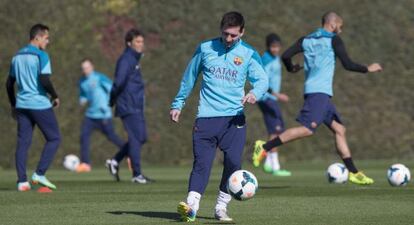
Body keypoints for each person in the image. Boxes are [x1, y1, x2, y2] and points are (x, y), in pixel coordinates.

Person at [252, 12, 383, 185]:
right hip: (319, 93)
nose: (340, 31)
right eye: (340, 27)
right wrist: (369, 68)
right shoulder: (333, 40)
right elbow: (348, 64)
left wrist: (291, 68)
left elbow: (285, 56)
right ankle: (265, 146)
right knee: (306, 129)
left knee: (339, 130)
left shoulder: (306, 40)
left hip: (315, 92)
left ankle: (353, 172)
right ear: (333, 24)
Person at [170, 12, 268, 222]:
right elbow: (189, 77)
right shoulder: (205, 48)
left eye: (233, 35)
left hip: (234, 120)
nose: (228, 39)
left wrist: (254, 93)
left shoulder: (249, 53)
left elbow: (262, 80)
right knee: (201, 164)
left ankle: (221, 208)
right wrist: (178, 103)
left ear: (242, 32)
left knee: (233, 164)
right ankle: (191, 207)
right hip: (206, 118)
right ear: (220, 30)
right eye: (225, 34)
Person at [6, 24, 61, 191]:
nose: (48, 41)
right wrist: (55, 96)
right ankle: (39, 173)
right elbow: (44, 80)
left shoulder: (16, 56)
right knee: (54, 138)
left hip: (22, 105)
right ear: (37, 37)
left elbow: (9, 84)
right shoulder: (41, 56)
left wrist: (14, 104)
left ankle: (22, 182)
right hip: (39, 104)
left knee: (23, 142)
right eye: (46, 38)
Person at [106, 28, 153, 184]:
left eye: (142, 42)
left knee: (141, 137)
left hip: (135, 105)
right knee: (135, 138)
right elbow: (118, 82)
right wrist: (112, 99)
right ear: (129, 43)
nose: (141, 45)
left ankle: (115, 161)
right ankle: (136, 174)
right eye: (137, 42)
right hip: (128, 104)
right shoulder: (126, 59)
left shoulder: (134, 59)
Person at [76, 58, 125, 173]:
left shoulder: (99, 77)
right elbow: (83, 95)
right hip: (90, 115)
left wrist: (108, 104)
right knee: (84, 137)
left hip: (103, 115)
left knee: (112, 137)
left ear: (92, 67)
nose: (85, 70)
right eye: (83, 68)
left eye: (87, 67)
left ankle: (129, 154)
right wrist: (82, 100)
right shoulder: (82, 82)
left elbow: (112, 89)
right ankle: (85, 164)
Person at [254, 33, 291, 176]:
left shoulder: (275, 58)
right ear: (268, 47)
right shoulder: (266, 60)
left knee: (275, 130)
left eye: (277, 46)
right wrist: (277, 94)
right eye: (273, 46)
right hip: (266, 98)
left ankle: (270, 164)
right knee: (277, 130)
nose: (275, 49)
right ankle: (273, 165)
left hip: (270, 99)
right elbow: (261, 81)